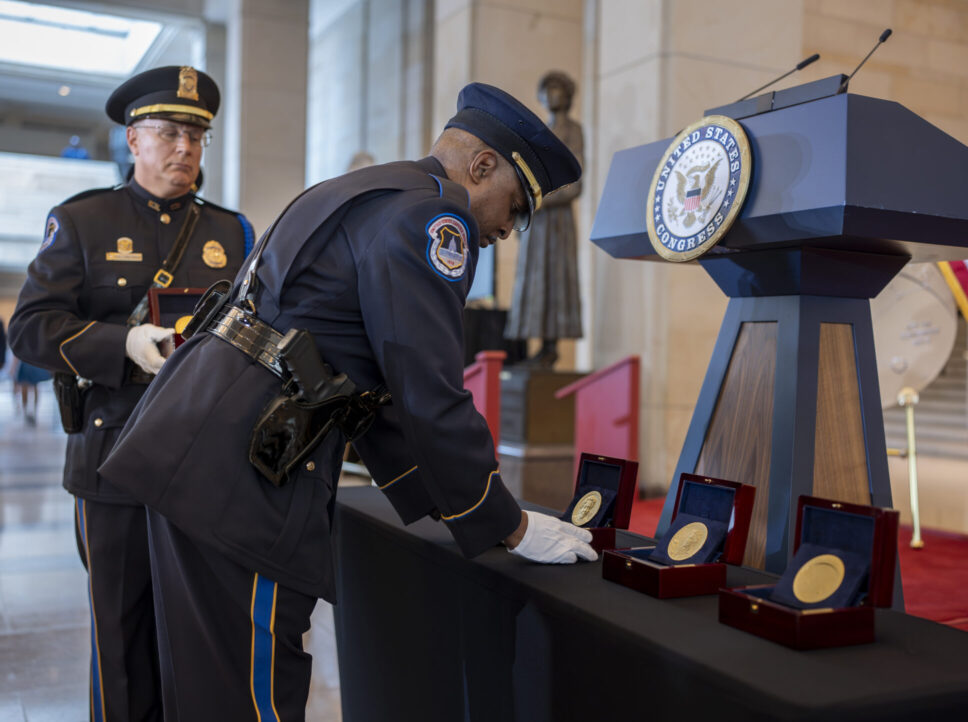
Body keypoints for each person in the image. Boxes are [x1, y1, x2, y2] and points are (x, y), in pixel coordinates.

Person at [99, 82, 596, 719]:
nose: (507, 228)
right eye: (517, 205)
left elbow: (371, 388)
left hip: (195, 452)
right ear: (480, 166)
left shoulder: (365, 190)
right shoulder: (433, 219)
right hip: (246, 482)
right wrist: (512, 524)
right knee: (252, 697)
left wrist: (467, 509)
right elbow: (429, 393)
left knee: (206, 689)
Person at [8, 65, 253, 722]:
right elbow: (30, 329)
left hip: (206, 464)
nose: (185, 150)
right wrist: (120, 344)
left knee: (202, 631)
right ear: (132, 140)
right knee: (121, 632)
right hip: (112, 456)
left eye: (196, 138)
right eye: (170, 133)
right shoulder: (84, 221)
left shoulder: (231, 234)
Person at [504, 70, 585, 367]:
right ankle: (538, 347)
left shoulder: (572, 130)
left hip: (556, 221)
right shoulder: (542, 133)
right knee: (533, 281)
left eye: (558, 90)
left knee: (554, 279)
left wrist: (537, 200)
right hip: (538, 221)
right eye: (548, 90)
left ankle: (551, 347)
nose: (553, 96)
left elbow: (576, 184)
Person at [11, 356, 51, 425]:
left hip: (31, 360)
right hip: (28, 361)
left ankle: (31, 412)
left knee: (30, 386)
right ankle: (27, 411)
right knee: (26, 386)